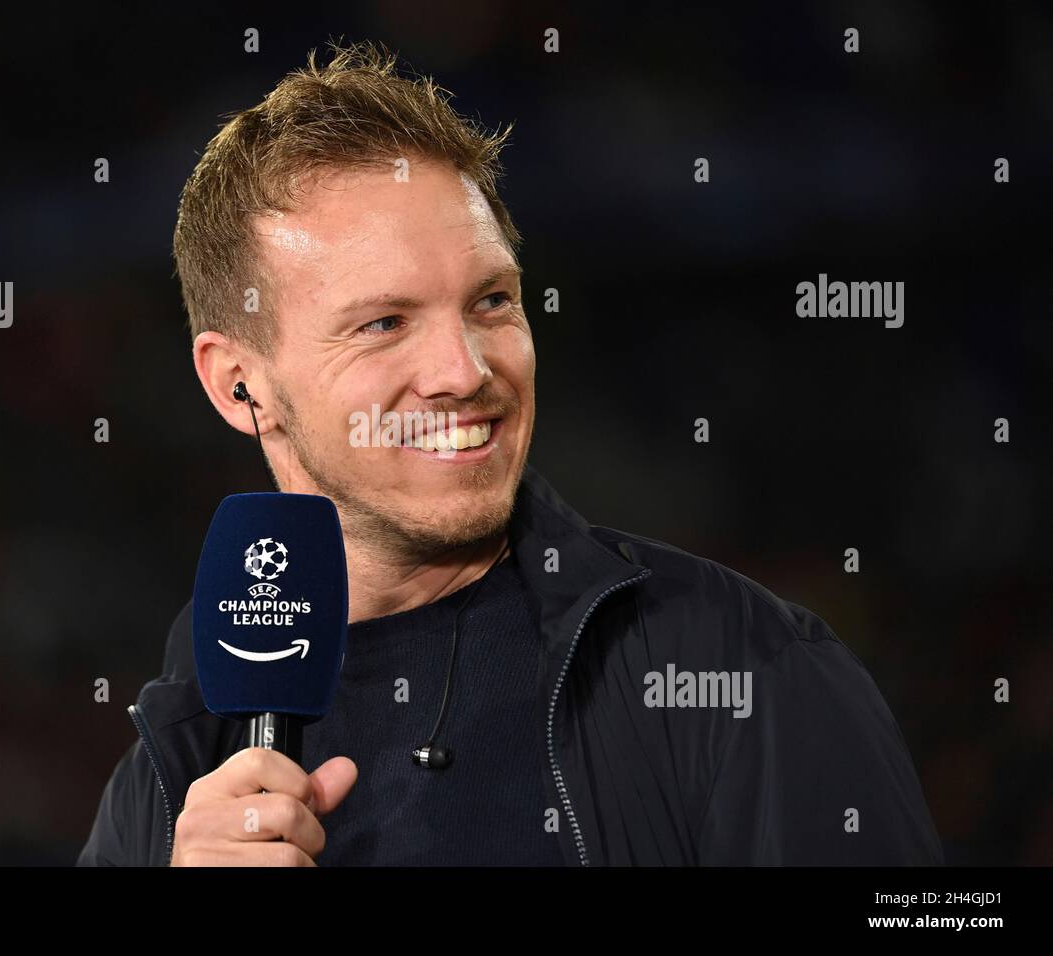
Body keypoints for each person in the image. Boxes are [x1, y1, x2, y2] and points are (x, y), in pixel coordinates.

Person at [77, 40, 942, 867]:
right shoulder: (170, 779)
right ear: (238, 384)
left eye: (492, 301)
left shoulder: (738, 669)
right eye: (384, 324)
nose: (465, 370)